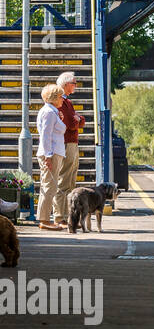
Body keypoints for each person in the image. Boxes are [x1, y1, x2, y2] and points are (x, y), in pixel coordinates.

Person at [52, 71, 86, 229]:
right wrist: (77, 120)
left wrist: (78, 120)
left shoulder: (68, 103)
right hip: (66, 143)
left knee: (71, 180)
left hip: (71, 143)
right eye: (74, 83)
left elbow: (81, 121)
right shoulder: (62, 103)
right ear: (65, 85)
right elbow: (71, 124)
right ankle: (60, 216)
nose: (76, 85)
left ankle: (68, 216)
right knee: (64, 180)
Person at [35, 83, 67, 231]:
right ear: (54, 97)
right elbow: (46, 135)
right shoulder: (48, 112)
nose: (63, 99)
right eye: (61, 96)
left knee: (50, 186)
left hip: (54, 153)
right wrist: (48, 156)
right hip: (51, 153)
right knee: (49, 186)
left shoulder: (52, 112)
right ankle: (44, 220)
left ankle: (45, 218)